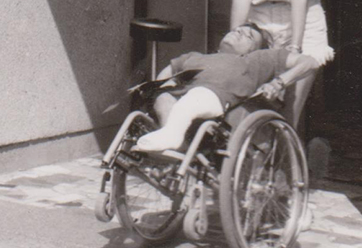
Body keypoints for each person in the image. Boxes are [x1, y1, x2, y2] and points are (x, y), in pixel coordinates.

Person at [135, 22, 320, 152]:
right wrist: (162, 87)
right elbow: (167, 73)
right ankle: (176, 145)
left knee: (196, 96)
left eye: (248, 36)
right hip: (184, 100)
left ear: (255, 50)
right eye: (236, 30)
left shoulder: (259, 59)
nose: (238, 32)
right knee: (163, 97)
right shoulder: (195, 56)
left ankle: (172, 137)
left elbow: (310, 62)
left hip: (216, 100)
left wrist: (279, 82)